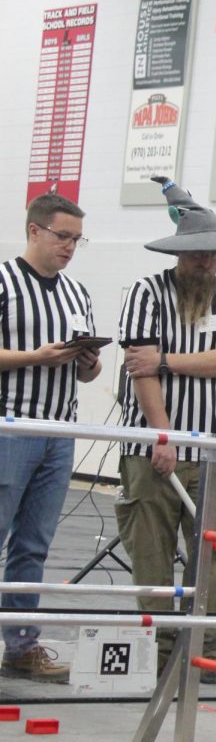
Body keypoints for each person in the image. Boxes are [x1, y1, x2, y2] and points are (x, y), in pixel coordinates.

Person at [115, 176, 216, 683]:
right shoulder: (145, 292)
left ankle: (205, 647)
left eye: (214, 255)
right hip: (150, 445)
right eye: (199, 256)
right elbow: (139, 370)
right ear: (180, 254)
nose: (207, 264)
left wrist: (168, 359)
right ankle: (160, 645)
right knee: (151, 549)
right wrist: (163, 435)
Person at [0, 193, 101, 682]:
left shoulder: (76, 293)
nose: (70, 248)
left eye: (78, 241)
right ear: (35, 230)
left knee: (34, 545)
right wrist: (33, 358)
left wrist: (88, 361)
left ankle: (20, 645)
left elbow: (88, 374)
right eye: (63, 237)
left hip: (60, 431)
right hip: (10, 426)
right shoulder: (3, 282)